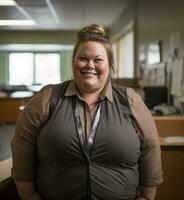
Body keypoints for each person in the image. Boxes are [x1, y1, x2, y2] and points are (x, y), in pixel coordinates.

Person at [11, 24, 163, 200]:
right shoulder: (47, 97)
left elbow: (151, 147)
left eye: (98, 60)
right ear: (74, 61)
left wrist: (147, 197)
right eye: (83, 58)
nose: (90, 65)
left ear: (109, 65)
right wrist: (28, 195)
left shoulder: (130, 100)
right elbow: (22, 142)